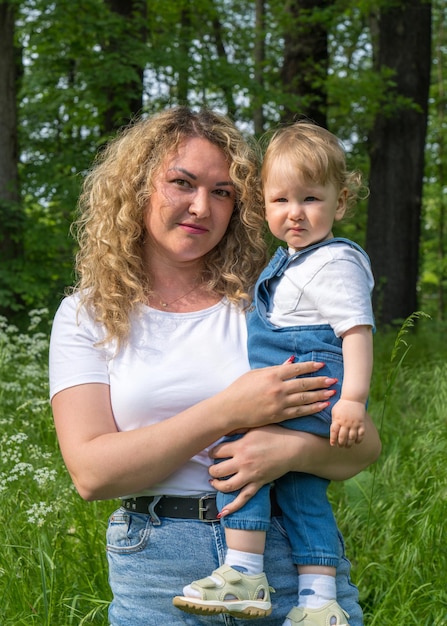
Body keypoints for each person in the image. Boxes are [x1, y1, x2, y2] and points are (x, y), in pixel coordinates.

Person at [49, 107, 381, 626]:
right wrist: (228, 409)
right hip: (157, 565)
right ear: (138, 188)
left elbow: (362, 447)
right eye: (182, 182)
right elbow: (91, 474)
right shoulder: (88, 314)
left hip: (288, 556)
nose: (201, 206)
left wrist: (288, 449)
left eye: (222, 191)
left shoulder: (271, 300)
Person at [175, 121, 375, 626]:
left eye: (310, 199)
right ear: (263, 204)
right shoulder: (292, 260)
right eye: (280, 200)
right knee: (301, 488)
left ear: (341, 201)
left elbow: (357, 332)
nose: (295, 213)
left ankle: (242, 569)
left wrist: (352, 400)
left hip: (313, 383)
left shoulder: (336, 262)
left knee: (241, 439)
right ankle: (319, 600)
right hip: (308, 383)